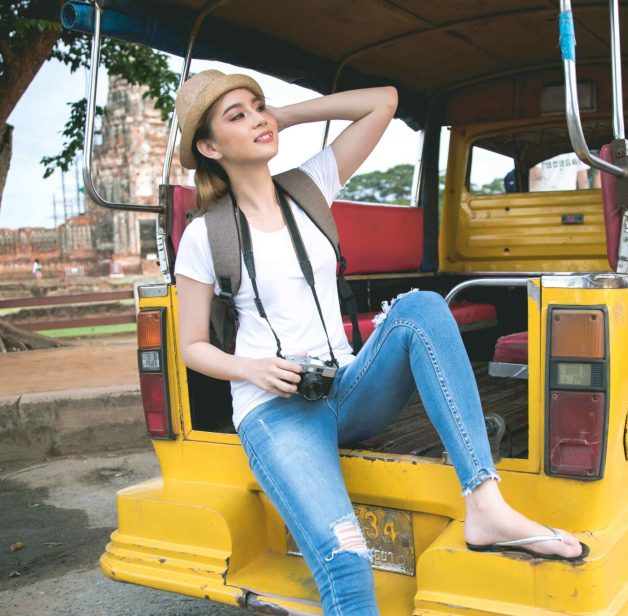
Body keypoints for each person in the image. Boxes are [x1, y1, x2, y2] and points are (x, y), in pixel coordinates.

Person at [173, 70, 587, 615]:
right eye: (237, 116)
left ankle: (485, 503)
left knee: (421, 308)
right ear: (208, 146)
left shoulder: (309, 185)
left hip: (345, 387)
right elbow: (191, 346)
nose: (255, 119)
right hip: (276, 411)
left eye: (257, 106)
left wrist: (287, 115)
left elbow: (384, 102)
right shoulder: (206, 234)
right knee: (348, 566)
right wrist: (252, 368)